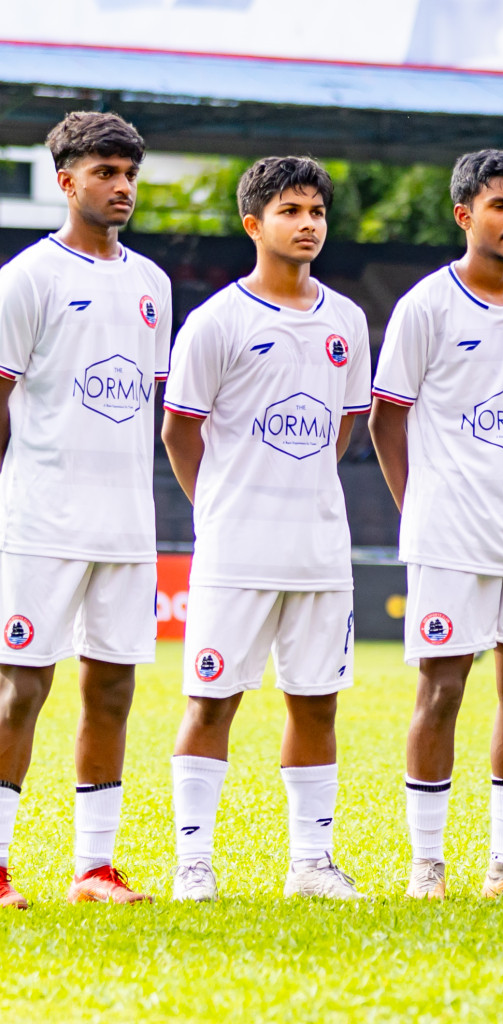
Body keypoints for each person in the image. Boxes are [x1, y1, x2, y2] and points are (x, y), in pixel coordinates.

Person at [162, 157, 371, 902]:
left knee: (316, 701)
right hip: (235, 551)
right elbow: (180, 433)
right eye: (290, 211)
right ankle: (193, 863)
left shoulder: (347, 321)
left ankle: (310, 863)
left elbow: (344, 428)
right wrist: (220, 501)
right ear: (255, 225)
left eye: (315, 210)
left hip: (319, 551)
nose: (307, 223)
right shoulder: (217, 321)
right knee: (212, 701)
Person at [370, 149, 503, 900]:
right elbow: (388, 419)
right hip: (448, 533)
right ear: (465, 216)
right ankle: (427, 861)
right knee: (442, 689)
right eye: (500, 205)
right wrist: (416, 505)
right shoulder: (427, 306)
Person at [0, 112, 169, 908]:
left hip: (127, 528)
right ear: (65, 181)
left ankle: (93, 870)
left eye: (130, 173)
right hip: (41, 522)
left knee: (111, 690)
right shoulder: (27, 277)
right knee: (20, 690)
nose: (122, 186)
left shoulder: (152, 285)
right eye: (105, 172)